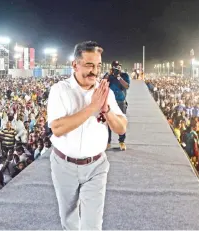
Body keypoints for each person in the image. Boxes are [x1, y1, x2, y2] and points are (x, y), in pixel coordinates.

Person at [47, 41, 127, 230]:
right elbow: (57, 128)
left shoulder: (104, 92)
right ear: (75, 65)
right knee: (69, 219)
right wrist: (92, 107)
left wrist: (105, 108)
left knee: (93, 224)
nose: (95, 71)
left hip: (96, 166)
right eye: (89, 65)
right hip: (63, 164)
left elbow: (121, 128)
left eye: (98, 66)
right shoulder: (60, 90)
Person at [103, 60, 130, 151]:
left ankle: (121, 141)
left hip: (120, 101)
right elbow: (101, 85)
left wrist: (118, 77)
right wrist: (108, 76)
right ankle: (108, 142)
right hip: (109, 102)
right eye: (114, 67)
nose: (116, 69)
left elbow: (126, 86)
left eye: (118, 67)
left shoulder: (124, 75)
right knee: (108, 121)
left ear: (120, 67)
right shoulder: (109, 76)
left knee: (121, 121)